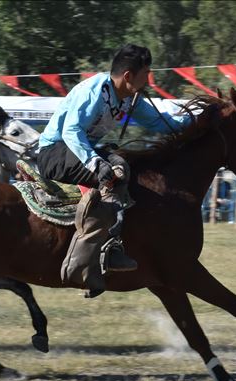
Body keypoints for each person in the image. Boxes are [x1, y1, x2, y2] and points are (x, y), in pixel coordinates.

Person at [36, 44, 192, 298]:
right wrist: (96, 163)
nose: (148, 80)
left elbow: (159, 123)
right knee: (116, 170)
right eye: (145, 74)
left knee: (121, 166)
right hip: (54, 151)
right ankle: (96, 256)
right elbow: (71, 131)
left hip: (80, 150)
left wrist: (192, 122)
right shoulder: (93, 91)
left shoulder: (129, 98)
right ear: (129, 76)